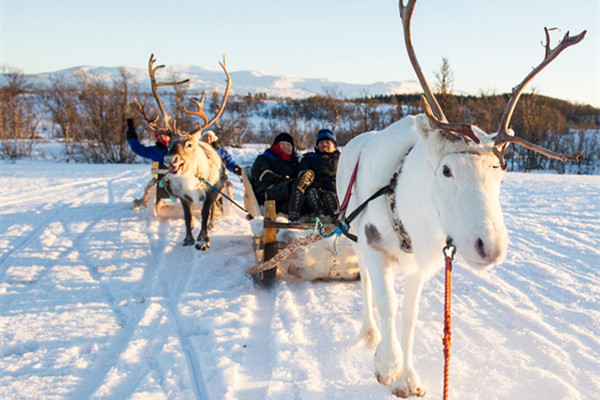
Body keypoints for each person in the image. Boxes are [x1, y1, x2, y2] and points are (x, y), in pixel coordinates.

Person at [288, 128, 340, 222]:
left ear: (334, 145)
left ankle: (336, 220)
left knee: (330, 197)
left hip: (335, 192)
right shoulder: (310, 158)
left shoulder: (341, 159)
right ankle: (320, 216)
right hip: (314, 193)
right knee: (312, 193)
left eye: (328, 142)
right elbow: (302, 173)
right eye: (321, 142)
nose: (324, 144)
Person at [126, 118, 170, 209]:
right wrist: (131, 132)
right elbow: (137, 148)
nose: (163, 138)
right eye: (160, 136)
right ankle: (145, 200)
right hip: (162, 187)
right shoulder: (155, 151)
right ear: (157, 138)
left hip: (176, 185)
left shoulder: (177, 150)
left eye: (165, 136)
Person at [250, 132, 299, 213]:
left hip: (284, 192)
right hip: (267, 191)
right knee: (295, 187)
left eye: (288, 145)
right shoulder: (265, 157)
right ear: (276, 145)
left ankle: (287, 209)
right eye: (282, 144)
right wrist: (280, 179)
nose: (286, 147)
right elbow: (259, 171)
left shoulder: (294, 163)